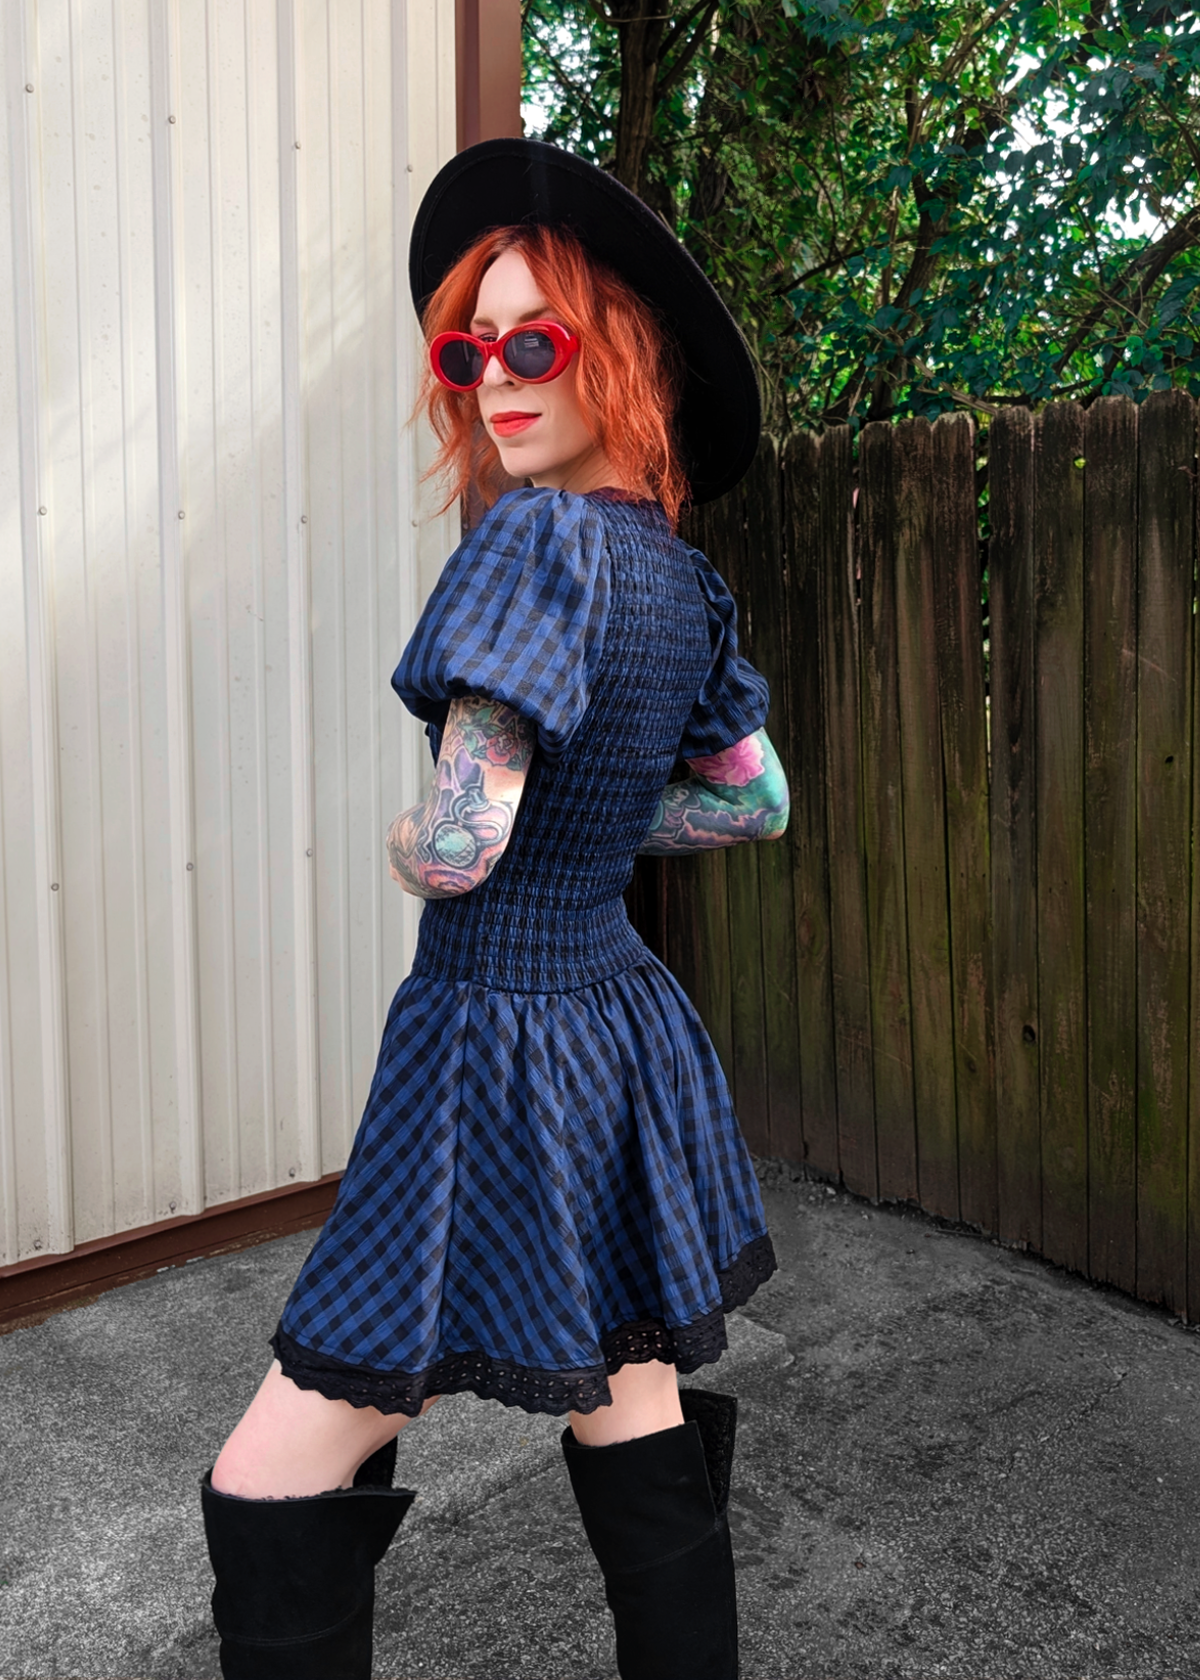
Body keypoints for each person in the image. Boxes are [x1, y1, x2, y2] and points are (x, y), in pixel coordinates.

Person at [199, 138, 790, 1680]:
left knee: (273, 1466)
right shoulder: (679, 580)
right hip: (616, 1022)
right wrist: (589, 841)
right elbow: (752, 799)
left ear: (624, 357)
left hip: (489, 1043)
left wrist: (418, 835)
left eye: (537, 343)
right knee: (627, 1385)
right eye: (471, 349)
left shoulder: (528, 545)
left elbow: (462, 849)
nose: (493, 381)